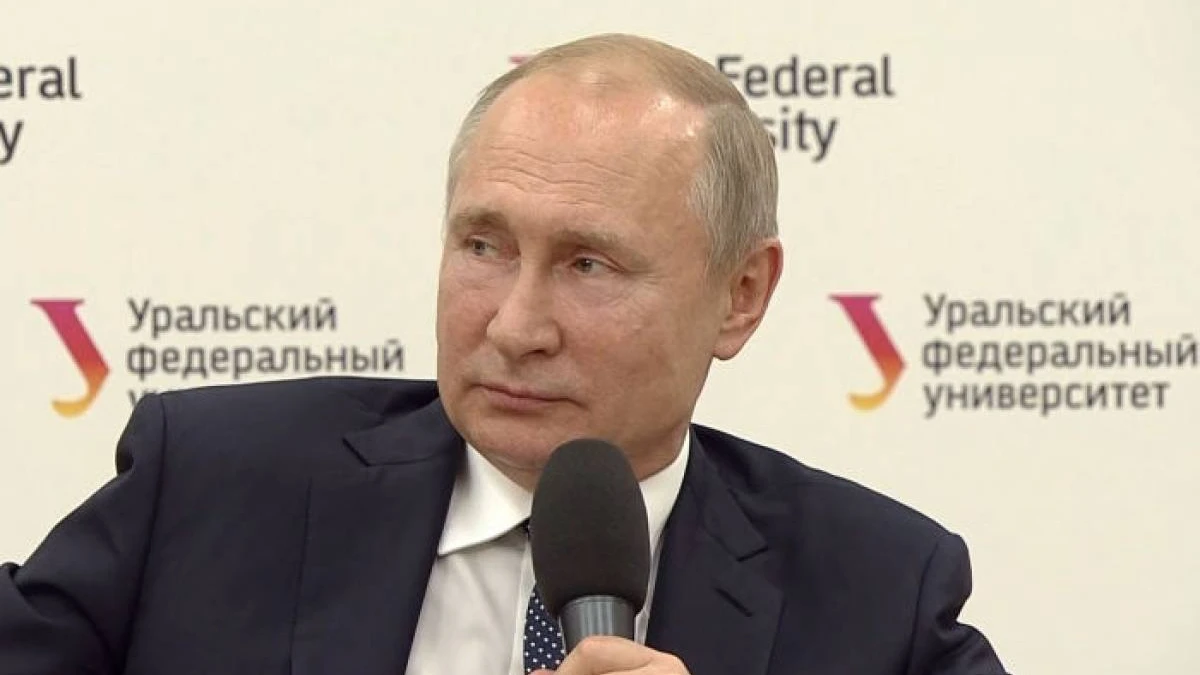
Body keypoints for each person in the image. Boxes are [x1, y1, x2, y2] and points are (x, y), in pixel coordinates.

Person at [0, 33, 1006, 675]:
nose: (516, 325)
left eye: (589, 264)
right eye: (484, 246)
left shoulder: (880, 595)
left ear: (741, 296)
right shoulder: (212, 481)